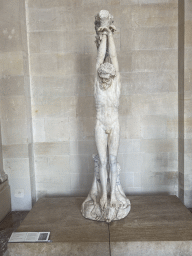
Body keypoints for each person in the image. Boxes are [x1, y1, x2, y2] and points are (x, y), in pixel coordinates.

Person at [94, 25, 121, 211]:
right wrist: (103, 35)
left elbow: (115, 57)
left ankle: (113, 194)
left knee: (112, 161)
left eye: (106, 78)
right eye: (101, 78)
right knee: (102, 162)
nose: (104, 81)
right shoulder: (96, 82)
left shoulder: (116, 82)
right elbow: (98, 59)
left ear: (112, 77)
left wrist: (110, 35)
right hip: (100, 123)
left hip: (114, 124)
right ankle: (104, 194)